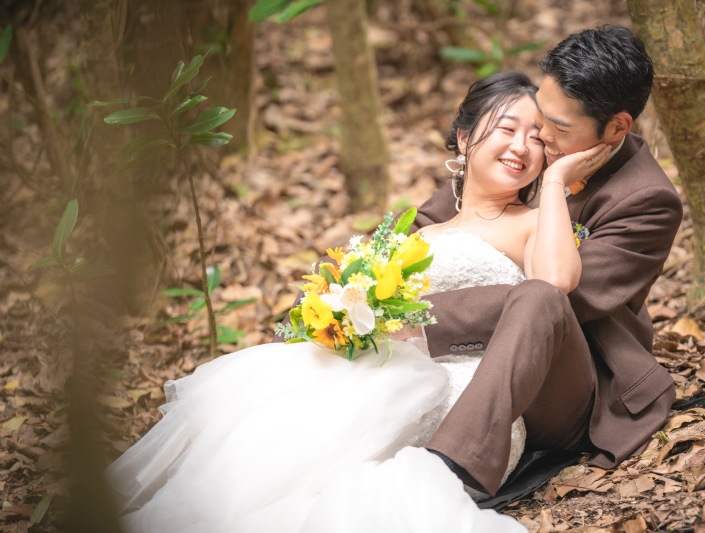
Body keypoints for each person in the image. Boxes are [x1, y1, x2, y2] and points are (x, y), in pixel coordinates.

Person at [104, 70, 606, 533]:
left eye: (538, 138)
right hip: (396, 369)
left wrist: (557, 184)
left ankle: (443, 466)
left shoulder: (537, 221)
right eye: (507, 129)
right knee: (290, 415)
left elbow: (553, 286)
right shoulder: (418, 234)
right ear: (464, 137)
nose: (522, 146)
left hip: (480, 387)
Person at [405, 25, 683, 496]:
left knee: (540, 296)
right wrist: (363, 307)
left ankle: (455, 466)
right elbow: (430, 230)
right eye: (540, 119)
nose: (539, 140)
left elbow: (565, 298)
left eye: (558, 128)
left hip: (575, 384)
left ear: (616, 127)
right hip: (477, 357)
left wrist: (417, 321)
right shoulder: (527, 153)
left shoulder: (646, 200)